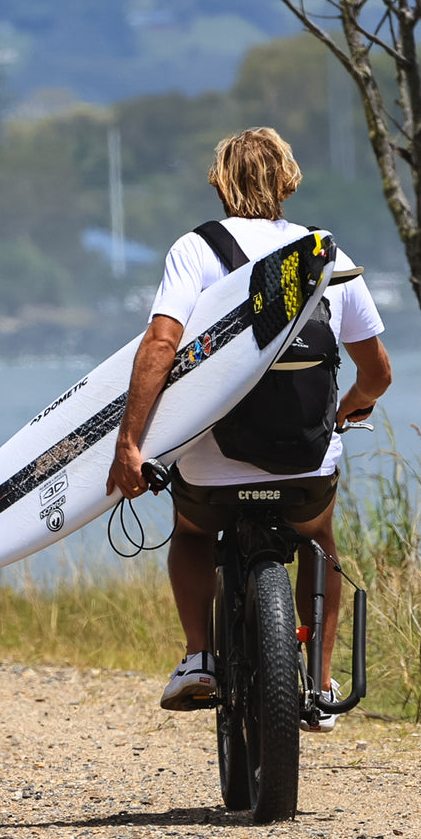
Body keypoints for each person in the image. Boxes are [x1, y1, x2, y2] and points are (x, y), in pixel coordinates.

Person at [106, 127, 392, 730]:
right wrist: (352, 407)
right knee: (317, 541)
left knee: (190, 534)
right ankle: (318, 683)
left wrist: (130, 443)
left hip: (214, 468)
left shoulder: (195, 250)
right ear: (290, 179)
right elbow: (377, 372)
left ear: (219, 182)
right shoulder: (327, 254)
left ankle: (198, 657)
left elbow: (162, 342)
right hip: (305, 464)